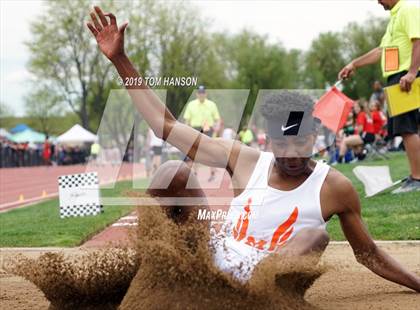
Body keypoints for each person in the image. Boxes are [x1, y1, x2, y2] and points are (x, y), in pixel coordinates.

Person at [87, 6, 420, 290]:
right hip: (214, 263)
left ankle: (247, 299)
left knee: (315, 236)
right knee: (171, 173)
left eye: (300, 143)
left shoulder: (335, 187)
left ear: (313, 140)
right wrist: (120, 60)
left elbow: (368, 253)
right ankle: (151, 279)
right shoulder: (244, 160)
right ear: (269, 141)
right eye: (282, 144)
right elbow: (167, 126)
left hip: (263, 285)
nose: (291, 153)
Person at [339, 0, 420, 193]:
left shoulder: (408, 9)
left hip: (405, 77)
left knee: (407, 128)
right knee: (405, 128)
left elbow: (418, 41)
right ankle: (415, 176)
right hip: (397, 77)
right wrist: (354, 64)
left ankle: (417, 179)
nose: (378, 1)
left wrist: (412, 72)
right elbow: (380, 51)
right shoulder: (394, 17)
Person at [183, 85, 221, 182]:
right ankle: (195, 173)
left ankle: (212, 174)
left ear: (206, 94)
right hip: (195, 128)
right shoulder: (191, 104)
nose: (201, 95)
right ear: (197, 94)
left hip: (208, 129)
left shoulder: (211, 104)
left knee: (210, 152)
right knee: (194, 152)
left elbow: (217, 119)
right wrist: (186, 130)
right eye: (199, 93)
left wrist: (217, 126)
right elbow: (187, 120)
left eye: (203, 93)